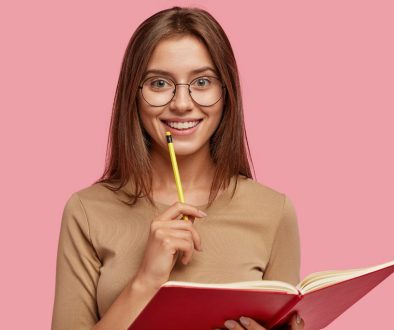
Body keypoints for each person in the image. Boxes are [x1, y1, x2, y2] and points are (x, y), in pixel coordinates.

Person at [51, 6, 304, 330]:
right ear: (134, 94)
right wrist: (146, 281)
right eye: (159, 83)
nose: (182, 103)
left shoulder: (273, 211)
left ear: (226, 93)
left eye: (202, 82)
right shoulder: (86, 211)